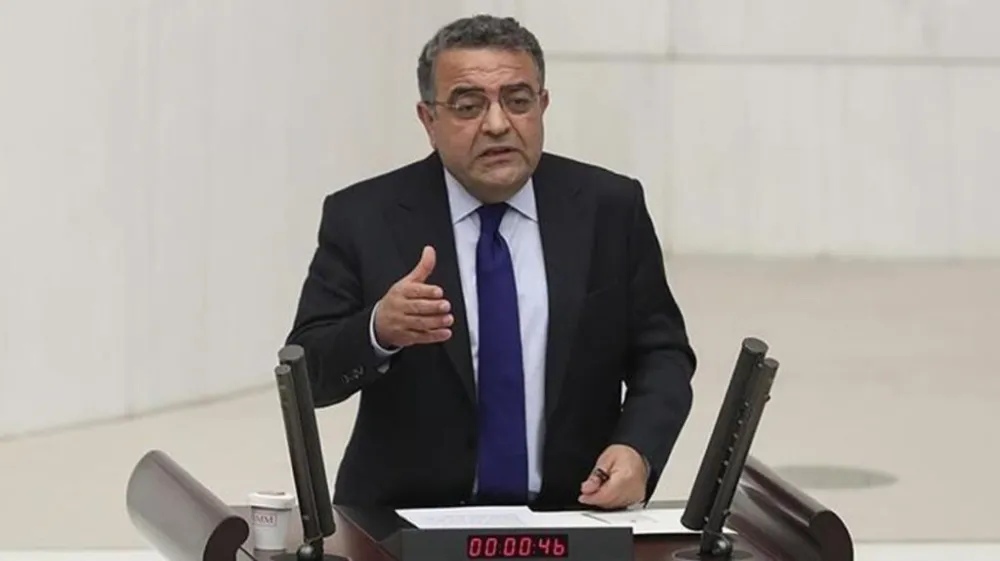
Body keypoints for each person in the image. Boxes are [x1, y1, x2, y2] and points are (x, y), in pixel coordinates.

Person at [286, 14, 696, 511]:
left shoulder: (609, 208)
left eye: (518, 101)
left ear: (543, 105)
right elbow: (307, 375)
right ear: (428, 120)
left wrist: (639, 450)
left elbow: (662, 354)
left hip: (573, 513)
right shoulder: (364, 216)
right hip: (404, 522)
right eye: (468, 106)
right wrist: (378, 329)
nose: (498, 124)